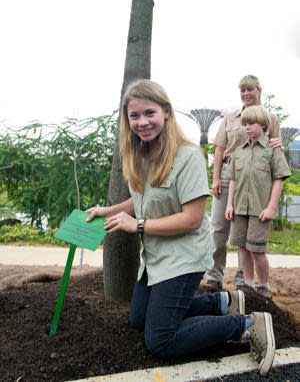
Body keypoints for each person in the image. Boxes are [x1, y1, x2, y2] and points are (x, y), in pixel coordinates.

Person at [86, 79, 276, 375]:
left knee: (160, 340)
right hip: (156, 254)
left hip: (184, 256)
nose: (142, 122)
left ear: (166, 112)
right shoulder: (140, 154)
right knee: (139, 319)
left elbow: (191, 219)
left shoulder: (187, 157)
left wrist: (137, 226)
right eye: (134, 116)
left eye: (149, 112)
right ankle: (223, 302)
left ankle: (248, 325)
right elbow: (143, 199)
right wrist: (109, 210)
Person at [204, 75, 282, 292]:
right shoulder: (229, 118)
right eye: (242, 90)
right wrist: (216, 177)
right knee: (219, 227)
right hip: (231, 171)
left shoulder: (271, 118)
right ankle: (214, 276)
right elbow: (220, 148)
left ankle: (243, 281)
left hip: (257, 177)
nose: (246, 94)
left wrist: (279, 144)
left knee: (246, 232)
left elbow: (275, 146)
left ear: (259, 90)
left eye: (250, 89)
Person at [225, 106, 291, 299]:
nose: (247, 127)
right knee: (243, 248)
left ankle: (264, 287)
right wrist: (230, 205)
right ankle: (247, 285)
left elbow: (278, 179)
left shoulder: (273, 150)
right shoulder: (239, 152)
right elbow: (233, 180)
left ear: (263, 125)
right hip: (239, 209)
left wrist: (271, 208)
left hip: (259, 210)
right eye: (244, 124)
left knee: (257, 250)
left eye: (251, 123)